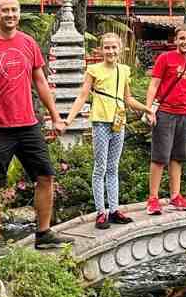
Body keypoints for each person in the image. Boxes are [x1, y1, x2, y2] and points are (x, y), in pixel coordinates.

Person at [0, 0, 70, 256]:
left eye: (14, 10)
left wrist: (55, 116)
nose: (10, 15)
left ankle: (43, 233)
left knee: (45, 176)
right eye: (5, 11)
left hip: (27, 124)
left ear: (19, 13)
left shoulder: (28, 43)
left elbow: (41, 82)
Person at [63, 32, 154, 230]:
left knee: (113, 167)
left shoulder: (124, 70)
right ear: (101, 50)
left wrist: (146, 108)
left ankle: (114, 210)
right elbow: (82, 96)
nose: (110, 51)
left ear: (120, 49)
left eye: (114, 47)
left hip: (118, 122)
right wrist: (68, 119)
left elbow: (127, 98)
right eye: (107, 47)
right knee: (100, 167)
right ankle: (101, 212)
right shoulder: (94, 70)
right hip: (101, 122)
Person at [142, 23, 186, 215]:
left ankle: (175, 196)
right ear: (176, 40)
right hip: (164, 112)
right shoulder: (165, 58)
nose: (185, 42)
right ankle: (153, 199)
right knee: (159, 157)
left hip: (185, 114)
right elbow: (153, 85)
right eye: (182, 38)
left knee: (178, 158)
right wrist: (149, 110)